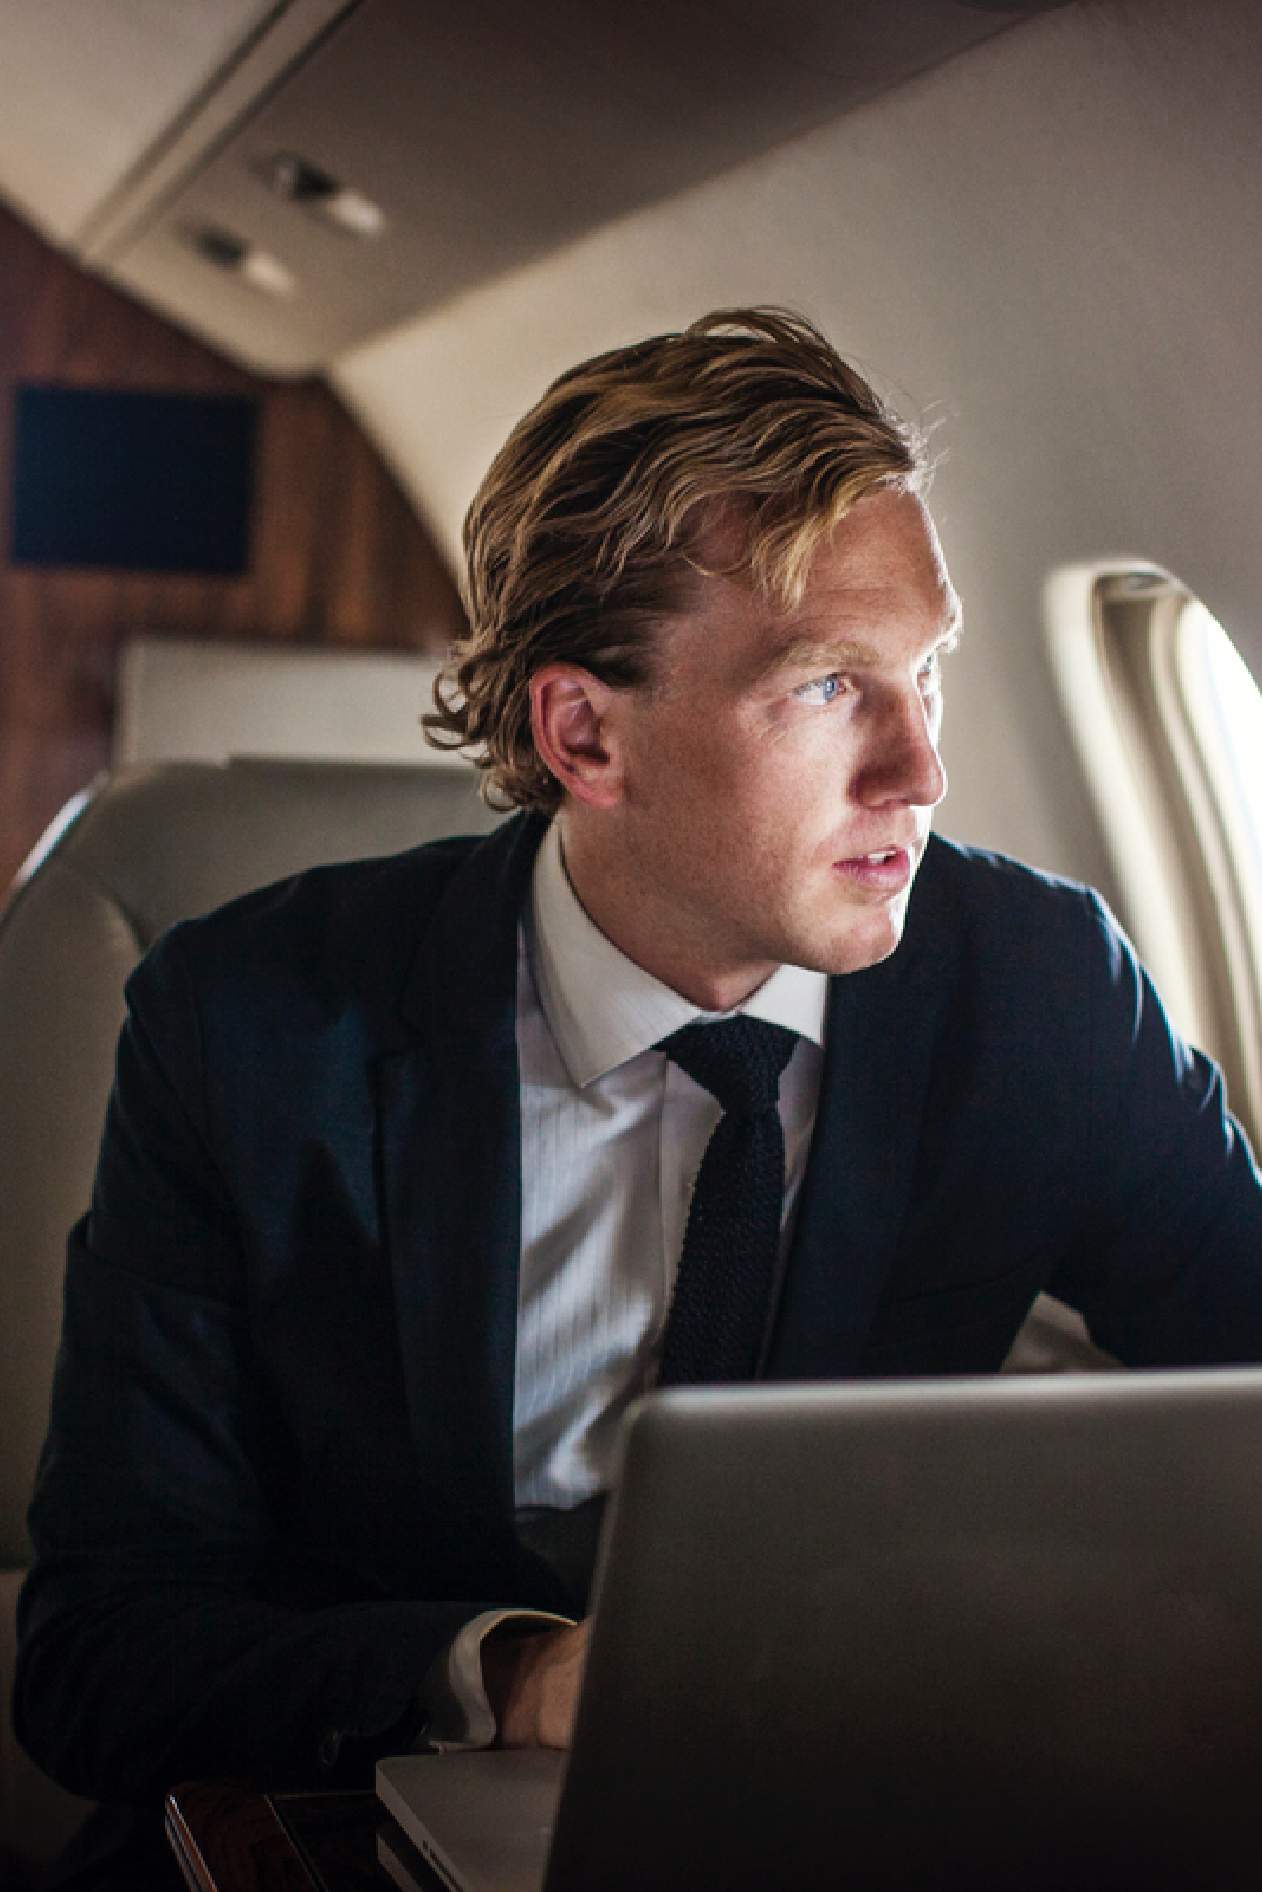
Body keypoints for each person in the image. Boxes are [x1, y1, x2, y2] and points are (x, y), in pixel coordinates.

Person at [14, 309, 1262, 1885]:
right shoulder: (248, 1026)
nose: (920, 770)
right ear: (583, 732)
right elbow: (97, 1656)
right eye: (823, 689)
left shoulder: (1039, 986)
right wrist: (513, 1677)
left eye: (926, 671)